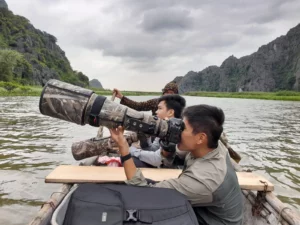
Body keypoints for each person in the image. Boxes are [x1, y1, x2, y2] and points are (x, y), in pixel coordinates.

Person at [109, 104, 243, 225]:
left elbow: (142, 189)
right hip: (204, 210)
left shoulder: (203, 180)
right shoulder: (212, 145)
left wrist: (123, 147)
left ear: (201, 138)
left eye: (182, 128)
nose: (177, 131)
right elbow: (171, 154)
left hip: (205, 220)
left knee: (141, 202)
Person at [129, 94, 186, 168]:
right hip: (162, 164)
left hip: (172, 169)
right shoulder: (164, 127)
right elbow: (153, 149)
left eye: (159, 108)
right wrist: (144, 137)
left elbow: (157, 159)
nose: (156, 111)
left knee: (130, 160)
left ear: (170, 112)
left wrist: (129, 150)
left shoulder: (176, 131)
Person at [113, 82, 179, 115]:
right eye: (166, 92)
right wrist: (121, 97)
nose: (168, 95)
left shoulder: (179, 108)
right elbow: (138, 106)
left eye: (171, 93)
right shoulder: (155, 102)